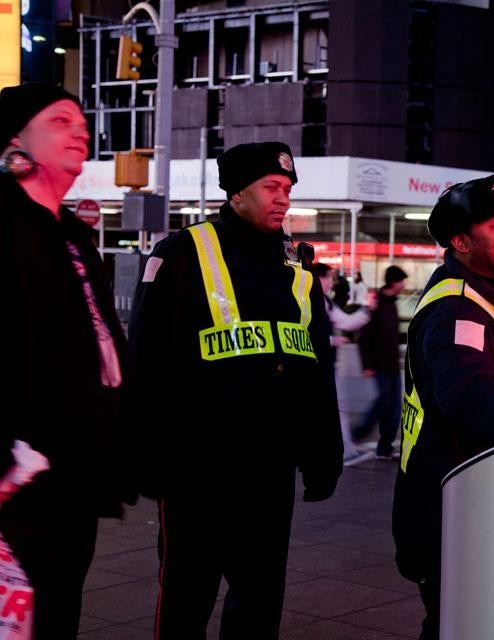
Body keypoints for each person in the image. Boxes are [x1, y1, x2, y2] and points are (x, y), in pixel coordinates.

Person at [128, 141, 343, 639]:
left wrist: (322, 453)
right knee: (186, 599)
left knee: (261, 602)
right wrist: (147, 455)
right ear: (236, 192)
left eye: (288, 188)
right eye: (271, 187)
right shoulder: (181, 253)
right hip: (196, 472)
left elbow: (315, 368)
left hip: (270, 471)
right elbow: (147, 359)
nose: (283, 198)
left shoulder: (297, 269)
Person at [0, 82, 136, 639]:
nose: (79, 130)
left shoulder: (76, 238)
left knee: (58, 617)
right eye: (59, 121)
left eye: (81, 122)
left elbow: (103, 351)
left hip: (74, 478)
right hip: (17, 479)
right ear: (15, 144)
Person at [393, 174, 494, 639]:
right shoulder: (458, 309)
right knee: (458, 625)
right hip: (452, 510)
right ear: (461, 242)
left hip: (470, 504)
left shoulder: (490, 297)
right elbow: (470, 394)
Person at [311, 262, 378, 466]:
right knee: (329, 408)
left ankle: (344, 449)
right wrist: (332, 340)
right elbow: (304, 332)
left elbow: (346, 322)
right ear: (318, 278)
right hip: (314, 366)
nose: (332, 282)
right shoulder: (308, 301)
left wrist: (367, 310)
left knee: (337, 407)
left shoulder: (327, 303)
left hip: (328, 365)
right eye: (329, 277)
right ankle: (340, 451)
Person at [352, 265, 409, 458]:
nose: (404, 285)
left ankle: (385, 447)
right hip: (379, 364)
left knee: (393, 406)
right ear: (394, 282)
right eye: (402, 281)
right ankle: (358, 433)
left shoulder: (392, 303)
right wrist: (366, 364)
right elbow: (364, 336)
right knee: (384, 402)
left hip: (391, 364)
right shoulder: (377, 303)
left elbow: (392, 334)